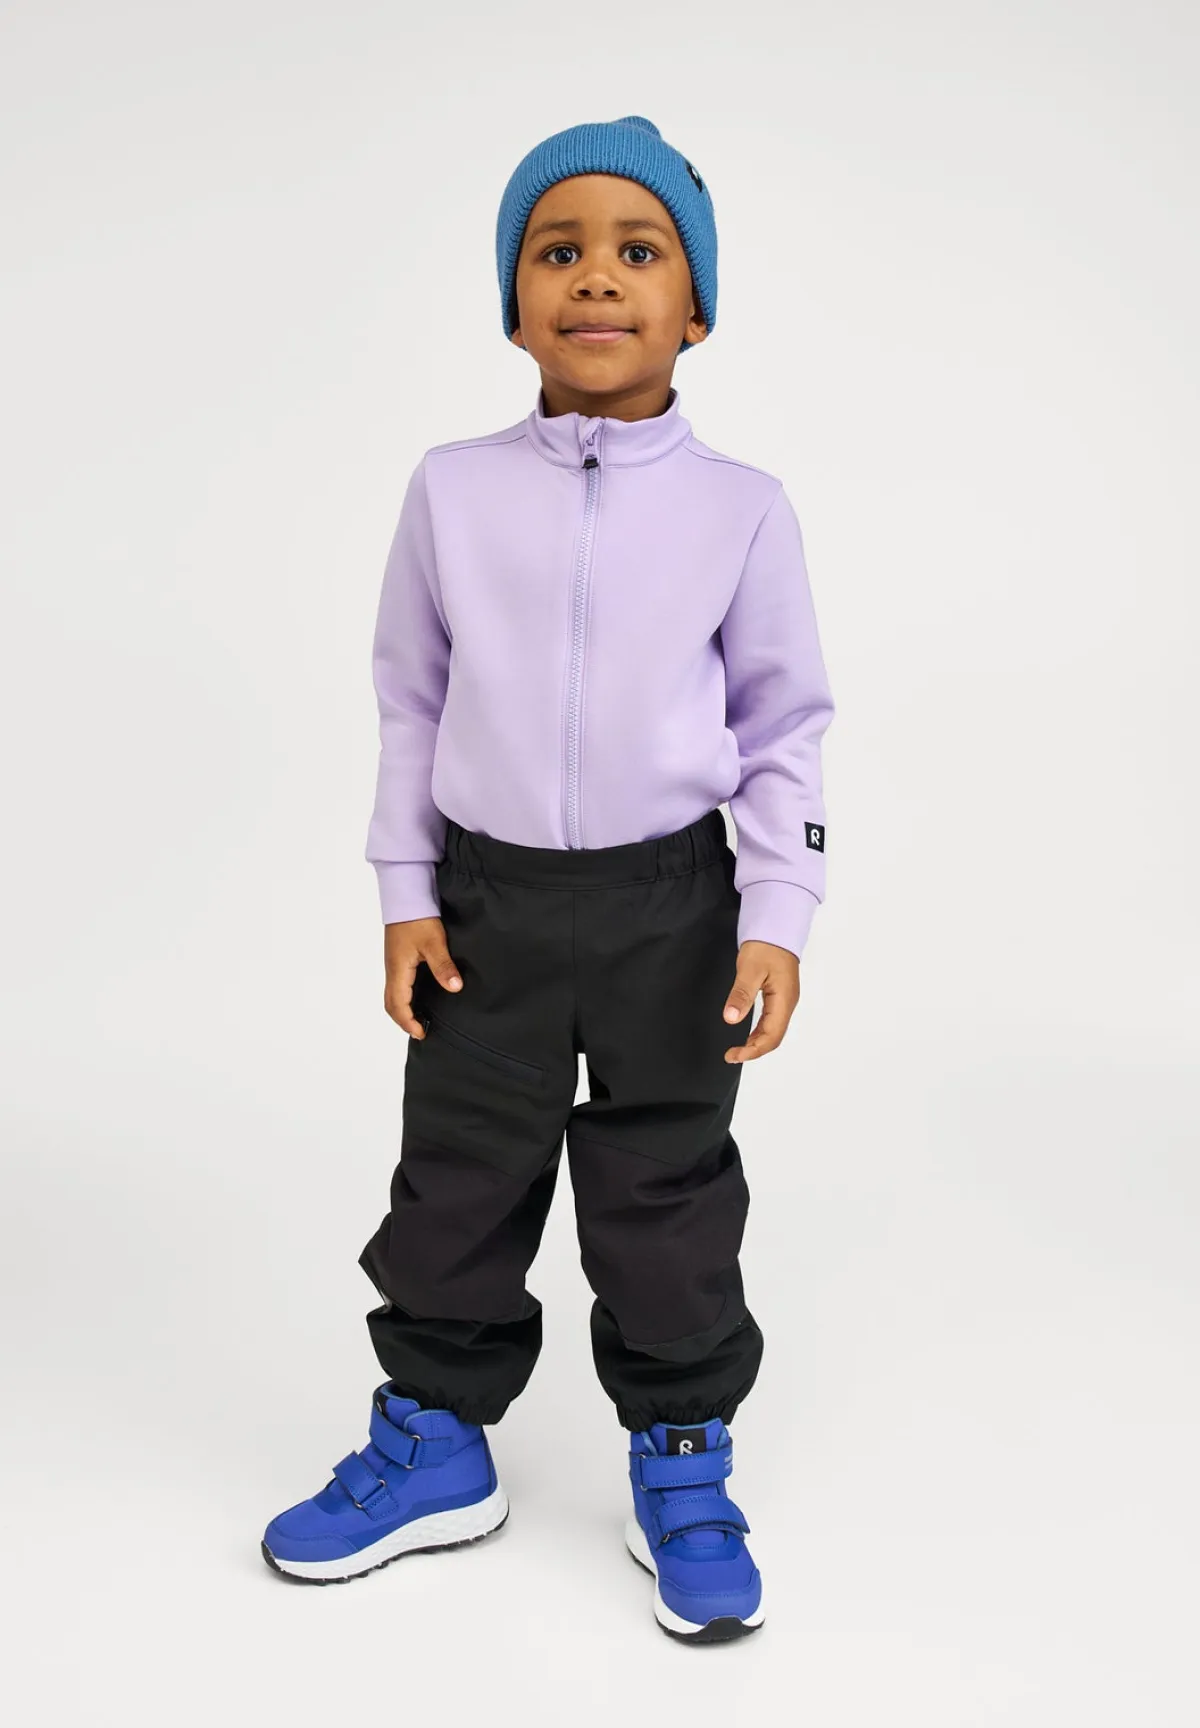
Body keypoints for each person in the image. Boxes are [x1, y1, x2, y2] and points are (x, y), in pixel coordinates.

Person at [261, 114, 835, 1644]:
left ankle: (683, 1454)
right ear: (513, 303)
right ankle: (436, 1442)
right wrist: (406, 888)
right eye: (556, 250)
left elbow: (786, 725)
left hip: (672, 910)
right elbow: (409, 699)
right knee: (459, 1173)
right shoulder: (452, 492)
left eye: (639, 252)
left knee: (667, 1186)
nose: (595, 278)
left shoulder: (742, 509)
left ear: (696, 309)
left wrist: (776, 914)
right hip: (488, 906)